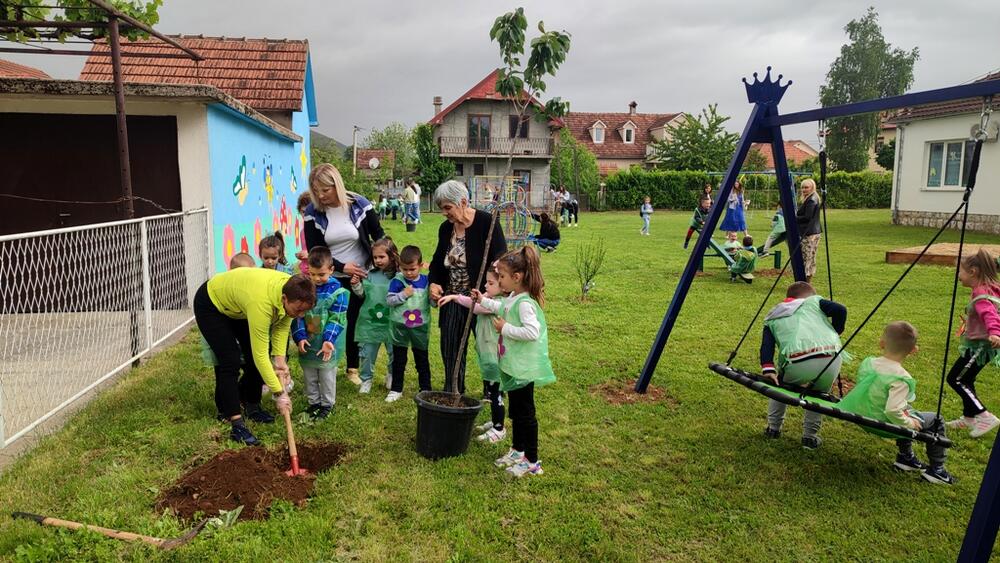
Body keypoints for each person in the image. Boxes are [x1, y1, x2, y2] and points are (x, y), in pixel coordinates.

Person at [193, 268, 314, 445]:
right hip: (212, 303)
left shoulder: (294, 290)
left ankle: (252, 405)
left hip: (239, 305)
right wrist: (279, 393)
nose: (300, 315)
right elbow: (260, 356)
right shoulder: (261, 303)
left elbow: (281, 328)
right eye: (298, 310)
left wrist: (280, 362)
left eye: (304, 311)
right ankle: (235, 422)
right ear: (284, 299)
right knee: (231, 359)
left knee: (253, 353)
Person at [837, 321, 954, 485]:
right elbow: (893, 411)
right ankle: (937, 470)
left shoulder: (868, 362)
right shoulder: (901, 378)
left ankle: (906, 458)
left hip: (860, 411)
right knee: (936, 419)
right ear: (913, 351)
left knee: (906, 409)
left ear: (881, 343)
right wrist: (910, 423)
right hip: (881, 421)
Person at [475, 246, 555, 477]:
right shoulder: (513, 298)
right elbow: (501, 306)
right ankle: (518, 451)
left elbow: (532, 332)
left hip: (523, 369)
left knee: (525, 415)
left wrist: (505, 328)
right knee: (516, 412)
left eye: (501, 276)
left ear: (517, 277)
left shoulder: (526, 304)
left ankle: (532, 460)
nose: (499, 280)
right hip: (512, 366)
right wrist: (483, 299)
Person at [303, 163, 385, 387]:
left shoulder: (360, 204)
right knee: (325, 320)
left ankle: (352, 368)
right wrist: (341, 266)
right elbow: (315, 250)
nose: (321, 195)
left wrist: (382, 261)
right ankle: (321, 364)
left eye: (325, 190)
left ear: (337, 185)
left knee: (354, 320)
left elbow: (379, 235)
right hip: (329, 277)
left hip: (361, 275)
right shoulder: (312, 213)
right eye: (316, 191)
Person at [429, 180, 508, 395]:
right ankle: (454, 390)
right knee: (451, 347)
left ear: (463, 202)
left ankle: (492, 393)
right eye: (442, 208)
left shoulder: (486, 222)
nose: (444, 213)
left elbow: (500, 257)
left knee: (488, 347)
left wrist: (488, 293)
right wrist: (434, 283)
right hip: (452, 297)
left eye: (447, 207)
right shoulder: (446, 228)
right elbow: (437, 262)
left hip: (481, 297)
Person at [760, 281, 847, 449]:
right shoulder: (815, 302)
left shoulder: (773, 315)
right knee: (818, 396)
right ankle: (809, 437)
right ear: (811, 295)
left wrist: (768, 368)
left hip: (797, 361)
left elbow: (767, 346)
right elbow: (840, 310)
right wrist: (836, 331)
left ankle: (773, 428)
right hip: (831, 359)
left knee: (780, 389)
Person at [438, 267, 507, 443]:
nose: (486, 285)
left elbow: (476, 307)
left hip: (495, 357)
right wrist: (456, 297)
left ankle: (499, 428)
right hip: (488, 354)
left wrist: (456, 297)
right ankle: (495, 420)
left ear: (504, 285)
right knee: (492, 391)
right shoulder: (491, 299)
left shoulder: (499, 304)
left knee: (496, 392)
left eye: (490, 283)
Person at [945, 250, 1000, 437]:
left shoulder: (981, 292)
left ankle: (985, 416)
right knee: (966, 379)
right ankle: (969, 418)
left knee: (956, 379)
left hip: (981, 346)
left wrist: (995, 333)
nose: (958, 276)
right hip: (979, 345)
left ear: (973, 271)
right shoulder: (990, 287)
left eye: (959, 271)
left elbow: (989, 314)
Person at [292, 246, 349, 420]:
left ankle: (327, 404)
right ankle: (314, 402)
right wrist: (300, 337)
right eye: (313, 274)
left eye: (321, 274)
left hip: (327, 343)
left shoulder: (338, 293)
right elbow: (298, 315)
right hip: (309, 341)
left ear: (331, 270)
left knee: (326, 374)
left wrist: (328, 340)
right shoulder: (304, 288)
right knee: (309, 374)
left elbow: (337, 319)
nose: (317, 279)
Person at [351, 237, 399, 394]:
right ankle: (366, 379)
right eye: (375, 257)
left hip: (392, 322)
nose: (378, 260)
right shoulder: (369, 275)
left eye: (381, 257)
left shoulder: (399, 276)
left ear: (392, 256)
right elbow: (362, 294)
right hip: (369, 322)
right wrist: (356, 285)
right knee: (366, 353)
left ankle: (391, 375)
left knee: (395, 352)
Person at [385, 245, 432, 401]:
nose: (409, 273)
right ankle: (396, 389)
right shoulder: (397, 281)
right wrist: (403, 295)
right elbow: (389, 301)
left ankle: (425, 389)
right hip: (400, 327)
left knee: (422, 358)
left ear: (421, 265)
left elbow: (431, 302)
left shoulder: (426, 281)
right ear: (400, 266)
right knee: (399, 359)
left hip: (420, 327)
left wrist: (435, 299)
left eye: (412, 269)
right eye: (405, 269)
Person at [797, 178, 822, 283]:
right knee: (810, 257)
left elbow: (808, 217)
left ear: (812, 188)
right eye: (802, 187)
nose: (804, 189)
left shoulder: (811, 200)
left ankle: (804, 283)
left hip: (809, 233)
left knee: (806, 258)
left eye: (806, 187)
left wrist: (794, 218)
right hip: (814, 231)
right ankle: (807, 282)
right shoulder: (814, 198)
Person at [295, 192, 312, 275]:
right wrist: (300, 255)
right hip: (305, 272)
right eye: (303, 212)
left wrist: (310, 255)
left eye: (309, 211)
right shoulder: (302, 231)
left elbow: (327, 253)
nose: (306, 215)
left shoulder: (322, 229)